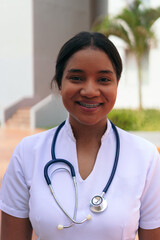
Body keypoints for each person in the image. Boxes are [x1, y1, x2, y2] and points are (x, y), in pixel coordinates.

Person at [0, 31, 160, 240]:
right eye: (76, 78)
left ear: (117, 84)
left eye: (103, 79)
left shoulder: (145, 157)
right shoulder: (28, 152)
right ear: (59, 82)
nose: (90, 90)